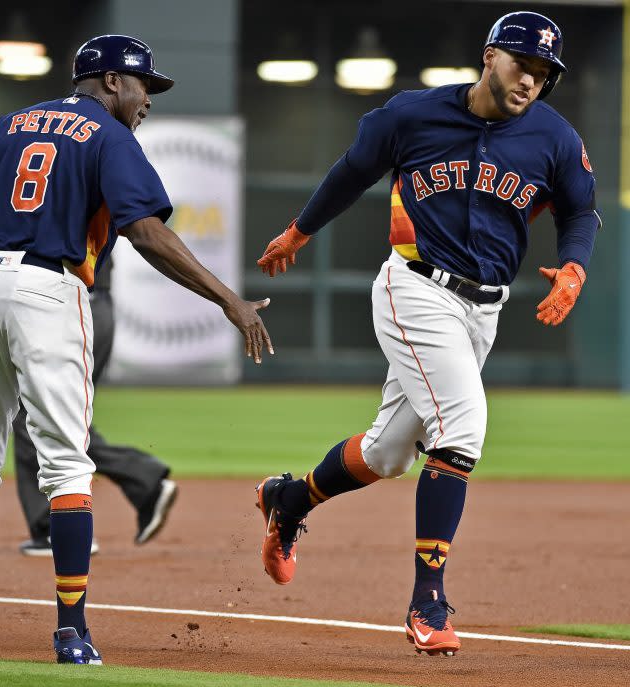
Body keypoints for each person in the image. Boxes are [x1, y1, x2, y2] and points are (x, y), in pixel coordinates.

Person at [0, 33, 272, 665]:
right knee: (67, 465)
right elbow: (147, 231)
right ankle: (71, 632)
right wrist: (228, 301)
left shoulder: (8, 124)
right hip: (49, 289)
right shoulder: (106, 134)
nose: (147, 99)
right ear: (108, 83)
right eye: (143, 86)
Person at [254, 11, 599, 657]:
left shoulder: (553, 137)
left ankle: (288, 498)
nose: (532, 80)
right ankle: (428, 599)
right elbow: (352, 171)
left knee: (388, 453)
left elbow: (581, 208)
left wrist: (575, 265)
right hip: (414, 286)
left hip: (483, 310)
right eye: (523, 64)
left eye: (545, 72)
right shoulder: (412, 115)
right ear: (489, 55)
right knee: (462, 427)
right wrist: (299, 231)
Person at [14, 259, 177, 557]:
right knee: (61, 417)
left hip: (70, 308)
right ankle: (143, 481)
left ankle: (60, 528)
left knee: (35, 414)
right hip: (93, 304)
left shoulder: (56, 211)